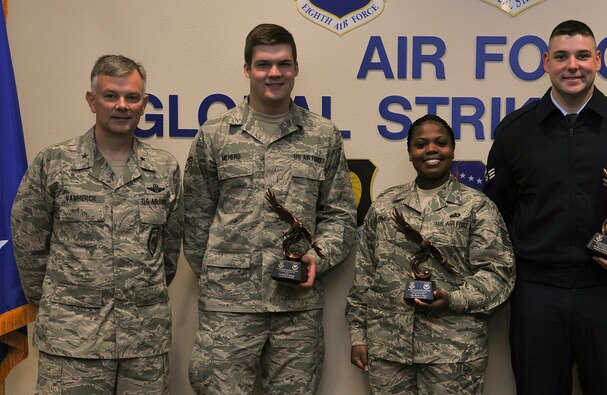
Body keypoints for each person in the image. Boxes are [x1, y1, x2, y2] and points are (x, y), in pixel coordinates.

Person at [483, 20, 607, 394]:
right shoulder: (515, 132)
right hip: (537, 292)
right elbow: (495, 219)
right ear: (546, 62)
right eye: (561, 56)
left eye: (582, 56)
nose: (572, 65)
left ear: (598, 60)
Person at [184, 23, 357, 393]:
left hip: (297, 308)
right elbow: (196, 217)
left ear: (296, 68)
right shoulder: (215, 134)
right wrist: (224, 275)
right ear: (247, 69)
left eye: (283, 64)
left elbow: (340, 216)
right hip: (228, 309)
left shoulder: (323, 135)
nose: (274, 73)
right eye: (263, 64)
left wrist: (317, 258)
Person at [11, 54, 182, 394]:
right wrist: (62, 303)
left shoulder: (164, 169)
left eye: (132, 97)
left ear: (144, 103)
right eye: (111, 95)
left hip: (143, 345)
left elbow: (168, 253)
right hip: (73, 345)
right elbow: (29, 243)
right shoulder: (55, 164)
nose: (122, 105)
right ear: (92, 101)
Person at [346, 114, 515, 394]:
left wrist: (452, 299)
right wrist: (358, 335)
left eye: (441, 142)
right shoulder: (386, 205)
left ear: (452, 149)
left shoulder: (477, 207)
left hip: (453, 352)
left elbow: (499, 274)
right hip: (389, 348)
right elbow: (365, 274)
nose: (431, 150)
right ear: (410, 152)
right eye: (421, 144)